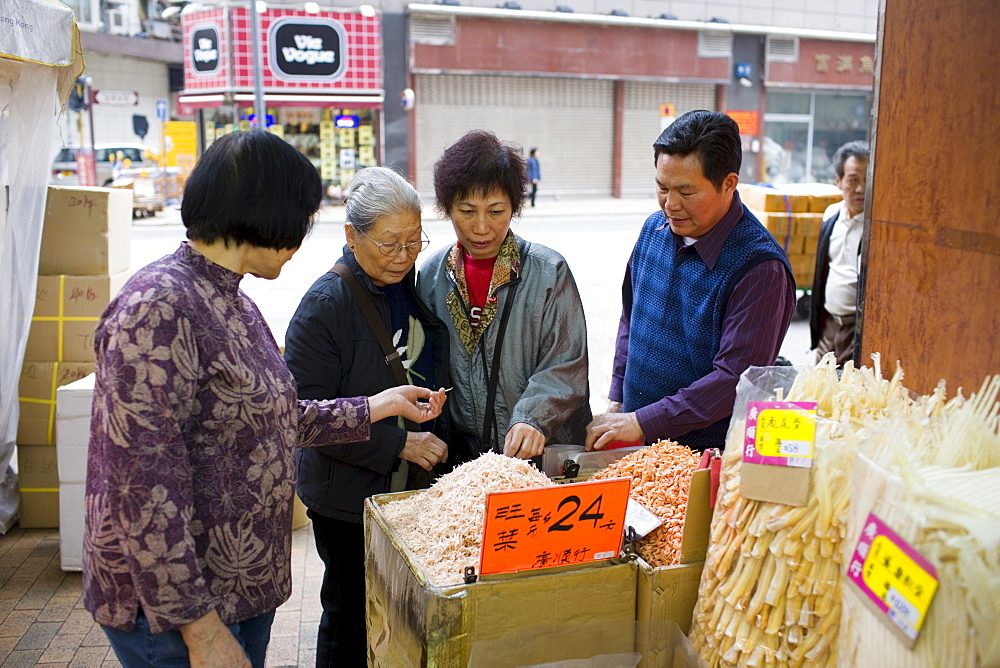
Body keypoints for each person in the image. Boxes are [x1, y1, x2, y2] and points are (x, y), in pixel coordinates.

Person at [82, 130, 446, 668]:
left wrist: (379, 405)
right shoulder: (159, 308)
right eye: (300, 219)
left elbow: (277, 419)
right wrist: (200, 629)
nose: (301, 238)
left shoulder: (231, 299)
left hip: (237, 587)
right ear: (264, 214)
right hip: (179, 612)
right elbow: (140, 485)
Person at [283, 167, 451, 667]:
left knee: (398, 612)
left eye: (413, 241)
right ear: (351, 236)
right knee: (349, 615)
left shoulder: (405, 283)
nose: (403, 256)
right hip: (346, 498)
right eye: (389, 243)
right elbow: (305, 419)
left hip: (405, 486)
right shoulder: (323, 306)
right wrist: (398, 445)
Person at [586, 110, 796, 452]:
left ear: (728, 183)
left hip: (700, 459)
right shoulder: (653, 230)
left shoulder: (760, 270)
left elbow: (732, 380)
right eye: (662, 187)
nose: (670, 205)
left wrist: (641, 422)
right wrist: (617, 398)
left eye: (687, 192)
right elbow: (631, 319)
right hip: (633, 438)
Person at [418, 130, 591, 461]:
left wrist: (532, 417)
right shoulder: (431, 276)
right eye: (467, 211)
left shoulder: (548, 272)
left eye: (495, 211)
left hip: (536, 455)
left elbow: (566, 363)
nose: (481, 227)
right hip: (462, 461)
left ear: (514, 207)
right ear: (447, 208)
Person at [809, 140, 869, 367]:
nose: (861, 189)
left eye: (866, 180)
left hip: (857, 331)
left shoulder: (875, 228)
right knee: (816, 388)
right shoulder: (831, 215)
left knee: (845, 394)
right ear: (839, 181)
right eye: (853, 180)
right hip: (829, 326)